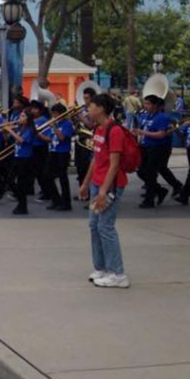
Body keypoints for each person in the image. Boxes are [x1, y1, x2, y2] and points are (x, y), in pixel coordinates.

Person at [78, 94, 130, 288]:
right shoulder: (98, 129)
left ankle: (118, 273)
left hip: (111, 185)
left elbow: (114, 165)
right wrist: (85, 183)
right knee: (94, 225)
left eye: (90, 106)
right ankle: (101, 267)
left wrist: (103, 191)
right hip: (97, 183)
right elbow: (96, 158)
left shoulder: (114, 131)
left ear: (101, 108)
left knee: (105, 227)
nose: (88, 109)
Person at [133, 95, 182, 208]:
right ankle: (159, 190)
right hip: (145, 146)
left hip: (158, 148)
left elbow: (161, 134)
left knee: (151, 173)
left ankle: (150, 199)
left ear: (155, 105)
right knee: (141, 171)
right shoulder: (145, 116)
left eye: (148, 104)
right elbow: (142, 129)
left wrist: (143, 133)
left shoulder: (162, 117)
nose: (145, 106)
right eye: (145, 103)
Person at [42, 104, 74, 211]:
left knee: (62, 178)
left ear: (60, 114)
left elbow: (62, 138)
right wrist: (38, 134)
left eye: (55, 114)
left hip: (63, 153)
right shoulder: (55, 124)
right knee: (47, 176)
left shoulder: (67, 124)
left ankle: (66, 203)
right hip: (53, 151)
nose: (53, 116)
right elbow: (50, 139)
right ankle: (56, 200)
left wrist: (54, 126)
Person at [2, 110, 35, 215]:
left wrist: (10, 130)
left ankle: (22, 205)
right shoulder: (20, 128)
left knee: (21, 183)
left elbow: (21, 140)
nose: (20, 118)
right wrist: (5, 132)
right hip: (17, 156)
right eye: (20, 116)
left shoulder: (30, 129)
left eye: (23, 116)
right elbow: (8, 139)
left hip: (25, 158)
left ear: (28, 119)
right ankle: (20, 201)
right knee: (10, 180)